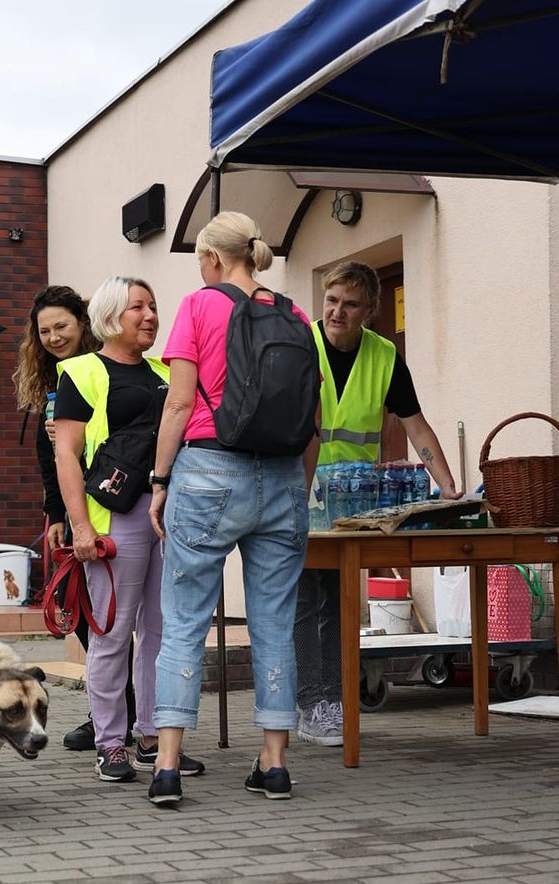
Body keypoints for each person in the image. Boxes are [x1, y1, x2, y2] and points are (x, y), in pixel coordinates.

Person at [148, 211, 311, 807]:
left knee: (185, 617)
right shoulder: (294, 314)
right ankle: (273, 764)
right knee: (274, 623)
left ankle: (166, 765)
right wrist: (298, 489)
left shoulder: (198, 305)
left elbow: (179, 402)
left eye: (199, 260)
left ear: (214, 259)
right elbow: (307, 416)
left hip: (210, 471)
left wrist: (161, 479)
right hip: (285, 478)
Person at [294, 261, 462, 746]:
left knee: (342, 604)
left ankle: (334, 699)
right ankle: (313, 703)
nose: (337, 312)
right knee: (306, 602)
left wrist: (448, 487)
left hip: (352, 507)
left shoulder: (384, 355)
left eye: (349, 304)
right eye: (330, 301)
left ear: (370, 310)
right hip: (299, 495)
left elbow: (415, 424)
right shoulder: (302, 343)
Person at [54, 276, 204, 783]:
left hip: (168, 514)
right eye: (138, 307)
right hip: (114, 518)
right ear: (112, 315)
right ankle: (110, 742)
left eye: (154, 307)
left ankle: (152, 738)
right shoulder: (81, 371)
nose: (150, 316)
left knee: (161, 631)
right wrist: (78, 526)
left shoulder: (167, 372)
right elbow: (67, 456)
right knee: (114, 633)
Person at [13, 285, 142, 752]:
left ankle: (120, 718)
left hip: (113, 506)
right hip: (73, 509)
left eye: (61, 326)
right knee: (89, 618)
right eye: (43, 331)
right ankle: (109, 713)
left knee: (113, 621)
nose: (52, 337)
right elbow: (49, 457)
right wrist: (55, 513)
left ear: (84, 323)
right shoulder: (52, 376)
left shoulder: (100, 370)